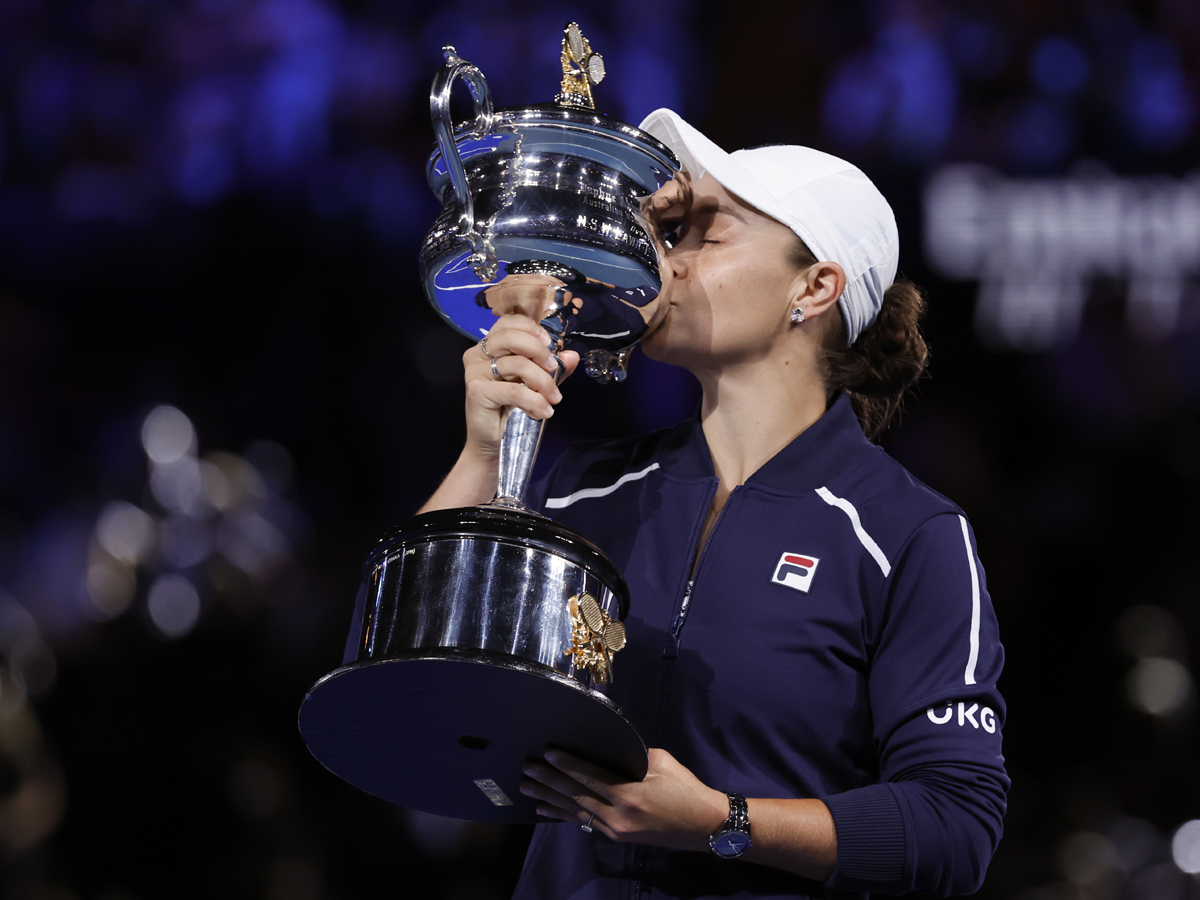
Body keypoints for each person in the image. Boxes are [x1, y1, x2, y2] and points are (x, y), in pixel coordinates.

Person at [418, 109, 1008, 899]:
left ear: (815, 286)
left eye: (707, 235)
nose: (665, 265)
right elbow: (406, 679)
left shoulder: (906, 535)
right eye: (668, 238)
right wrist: (484, 453)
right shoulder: (587, 486)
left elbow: (954, 827)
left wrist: (719, 823)